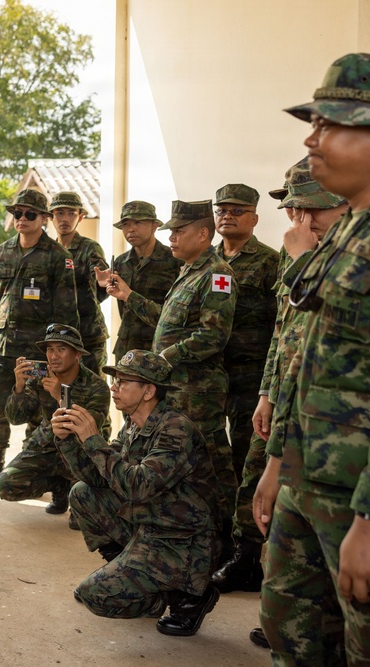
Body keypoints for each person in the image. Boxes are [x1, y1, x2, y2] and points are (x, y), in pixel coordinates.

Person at [255, 52, 370, 664]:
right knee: (287, 623)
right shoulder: (352, 229)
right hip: (310, 477)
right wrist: (278, 462)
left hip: (357, 493)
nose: (312, 137)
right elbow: (308, 359)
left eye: (331, 123)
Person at [97, 200, 238, 555]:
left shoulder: (217, 274)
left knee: (211, 465)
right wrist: (129, 296)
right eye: (171, 231)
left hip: (198, 390)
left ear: (203, 234)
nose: (171, 237)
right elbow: (166, 322)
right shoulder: (188, 270)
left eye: (179, 231)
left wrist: (163, 359)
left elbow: (212, 336)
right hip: (177, 385)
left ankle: (227, 546)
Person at [51, 350, 219, 637]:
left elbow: (139, 486)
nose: (113, 388)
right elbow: (98, 477)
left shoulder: (175, 429)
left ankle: (187, 596)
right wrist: (67, 440)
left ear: (149, 391)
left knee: (98, 596)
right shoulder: (132, 426)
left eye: (123, 381)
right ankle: (133, 571)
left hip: (182, 539)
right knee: (82, 493)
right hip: (150, 521)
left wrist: (93, 439)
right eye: (115, 380)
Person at [0, 189, 80, 495]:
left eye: (29, 214)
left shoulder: (58, 257)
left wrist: (63, 353)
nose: (21, 219)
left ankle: (27, 463)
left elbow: (66, 310)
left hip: (37, 349)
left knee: (39, 409)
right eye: (17, 214)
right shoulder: (0, 253)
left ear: (44, 219)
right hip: (1, 346)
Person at [0, 324, 110, 521]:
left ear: (77, 354)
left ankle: (79, 499)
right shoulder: (40, 378)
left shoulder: (96, 386)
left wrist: (61, 395)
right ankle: (59, 486)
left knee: (82, 520)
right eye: (50, 349)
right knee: (6, 485)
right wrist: (19, 387)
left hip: (80, 452)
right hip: (47, 446)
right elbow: (16, 418)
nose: (54, 356)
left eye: (61, 349)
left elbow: (86, 429)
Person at [212, 184, 279, 484]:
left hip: (249, 375)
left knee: (245, 451)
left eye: (237, 211)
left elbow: (279, 323)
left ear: (254, 218)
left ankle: (244, 526)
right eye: (222, 211)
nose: (228, 216)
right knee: (209, 453)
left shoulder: (269, 262)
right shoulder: (204, 261)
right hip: (211, 373)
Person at [110, 201, 182, 362]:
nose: (131, 229)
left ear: (154, 226)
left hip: (159, 348)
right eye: (126, 224)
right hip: (127, 347)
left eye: (138, 222)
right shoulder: (121, 262)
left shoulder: (174, 261)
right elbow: (124, 310)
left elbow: (174, 314)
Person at [49, 191, 109, 375]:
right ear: (51, 217)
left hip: (87, 336)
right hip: (56, 337)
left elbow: (102, 279)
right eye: (59, 213)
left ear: (80, 217)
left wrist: (101, 282)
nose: (65, 219)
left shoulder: (89, 248)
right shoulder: (48, 251)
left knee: (92, 390)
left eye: (71, 213)